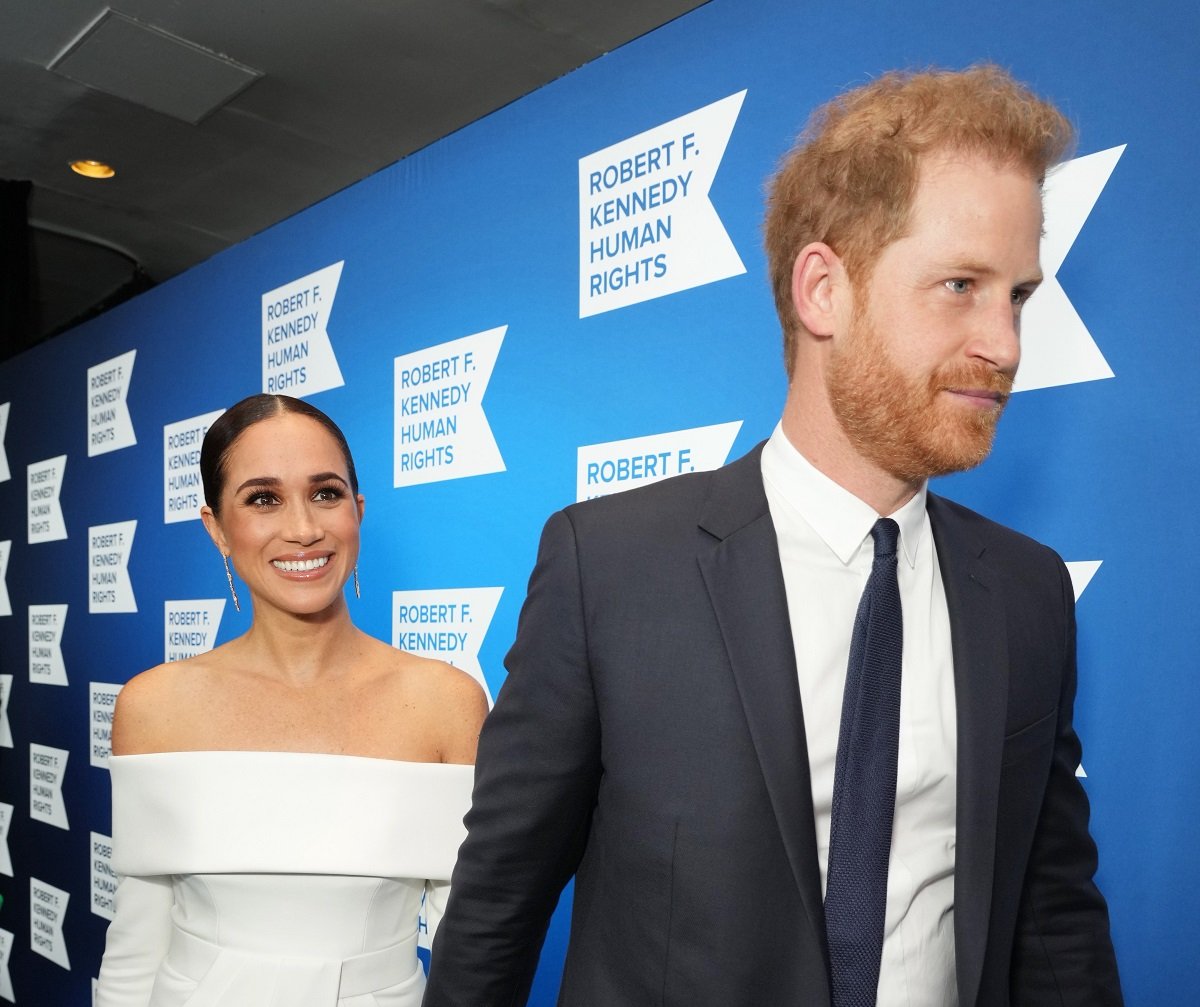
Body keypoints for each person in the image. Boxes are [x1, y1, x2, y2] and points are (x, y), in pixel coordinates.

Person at [424, 66, 1122, 1006]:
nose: (1004, 344)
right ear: (823, 290)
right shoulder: (611, 566)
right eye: (961, 284)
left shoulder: (1029, 591)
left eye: (1019, 295)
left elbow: (1052, 915)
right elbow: (499, 903)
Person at [95, 393, 488, 1007]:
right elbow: (137, 940)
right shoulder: (154, 705)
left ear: (358, 511)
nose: (304, 528)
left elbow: (469, 947)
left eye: (326, 493)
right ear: (217, 528)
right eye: (263, 499)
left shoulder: (446, 702)